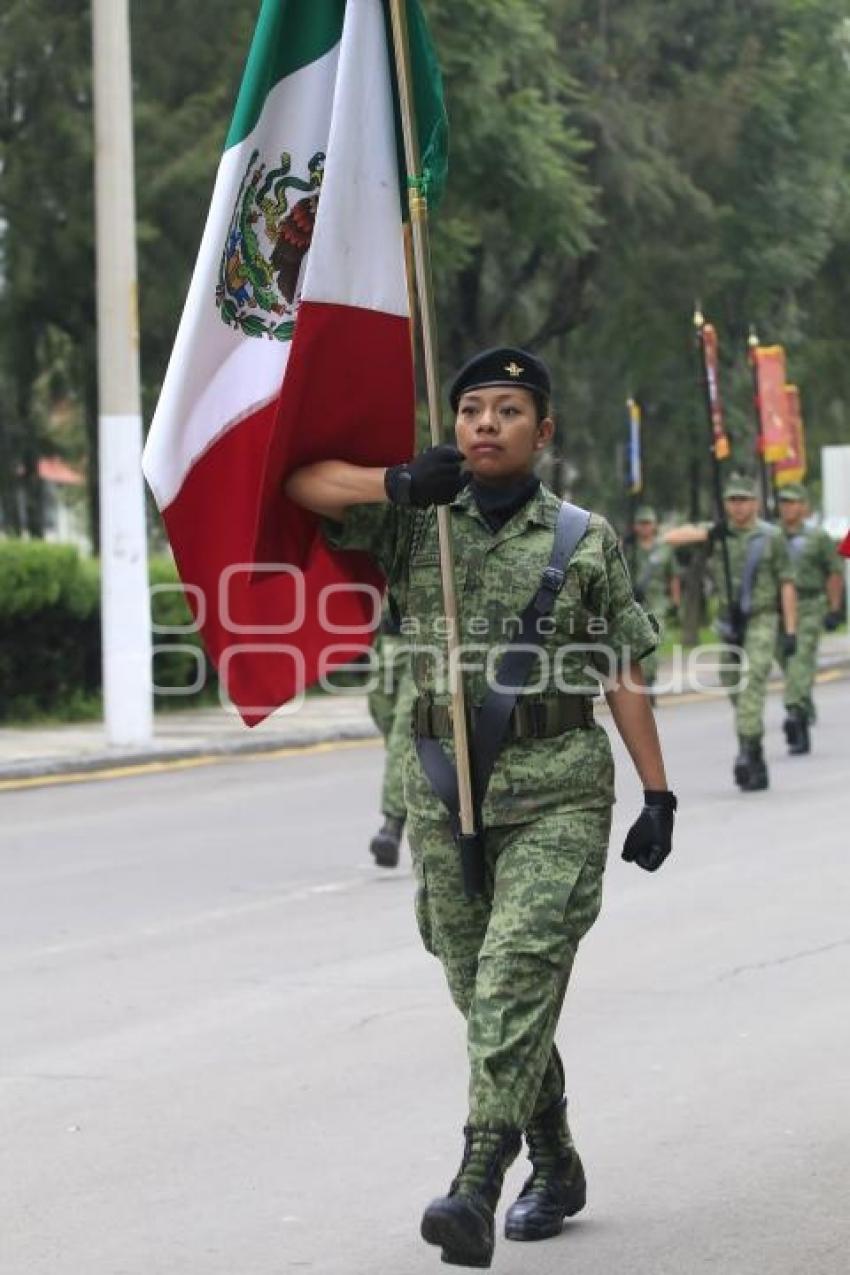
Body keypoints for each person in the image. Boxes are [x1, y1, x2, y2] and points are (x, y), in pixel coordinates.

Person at [286, 347, 676, 1270]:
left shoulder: (585, 537)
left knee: (512, 976)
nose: (486, 424)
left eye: (508, 409)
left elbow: (621, 666)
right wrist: (394, 479)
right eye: (472, 410)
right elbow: (301, 483)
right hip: (444, 787)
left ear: (544, 432)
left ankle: (478, 1177)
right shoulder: (416, 523)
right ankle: (557, 1159)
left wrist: (658, 791)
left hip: (560, 787)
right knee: (481, 990)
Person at [666, 474, 797, 792]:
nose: (738, 507)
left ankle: (748, 754)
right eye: (732, 500)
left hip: (762, 619)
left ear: (755, 502)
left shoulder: (771, 537)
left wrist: (790, 628)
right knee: (734, 685)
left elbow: (786, 582)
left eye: (744, 500)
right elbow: (671, 537)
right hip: (729, 624)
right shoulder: (719, 536)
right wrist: (710, 531)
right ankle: (753, 744)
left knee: (751, 685)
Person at [775, 483, 845, 754]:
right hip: (779, 609)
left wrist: (834, 608)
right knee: (787, 661)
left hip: (810, 605)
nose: (788, 508)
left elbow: (834, 572)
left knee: (801, 658)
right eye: (784, 502)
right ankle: (804, 703)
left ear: (803, 506)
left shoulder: (818, 537)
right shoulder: (772, 536)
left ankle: (796, 715)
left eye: (793, 502)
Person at [367, 606, 417, 867]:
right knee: (384, 715)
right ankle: (415, 787)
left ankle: (392, 827)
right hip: (387, 640)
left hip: (422, 642)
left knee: (403, 735)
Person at [625, 506, 682, 693]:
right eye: (641, 523)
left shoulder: (664, 550)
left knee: (652, 643)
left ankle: (648, 681)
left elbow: (673, 576)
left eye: (648, 523)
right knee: (636, 648)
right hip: (634, 604)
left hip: (658, 604)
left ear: (654, 525)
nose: (645, 527)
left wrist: (675, 602)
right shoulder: (629, 549)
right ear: (635, 526)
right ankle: (644, 683)